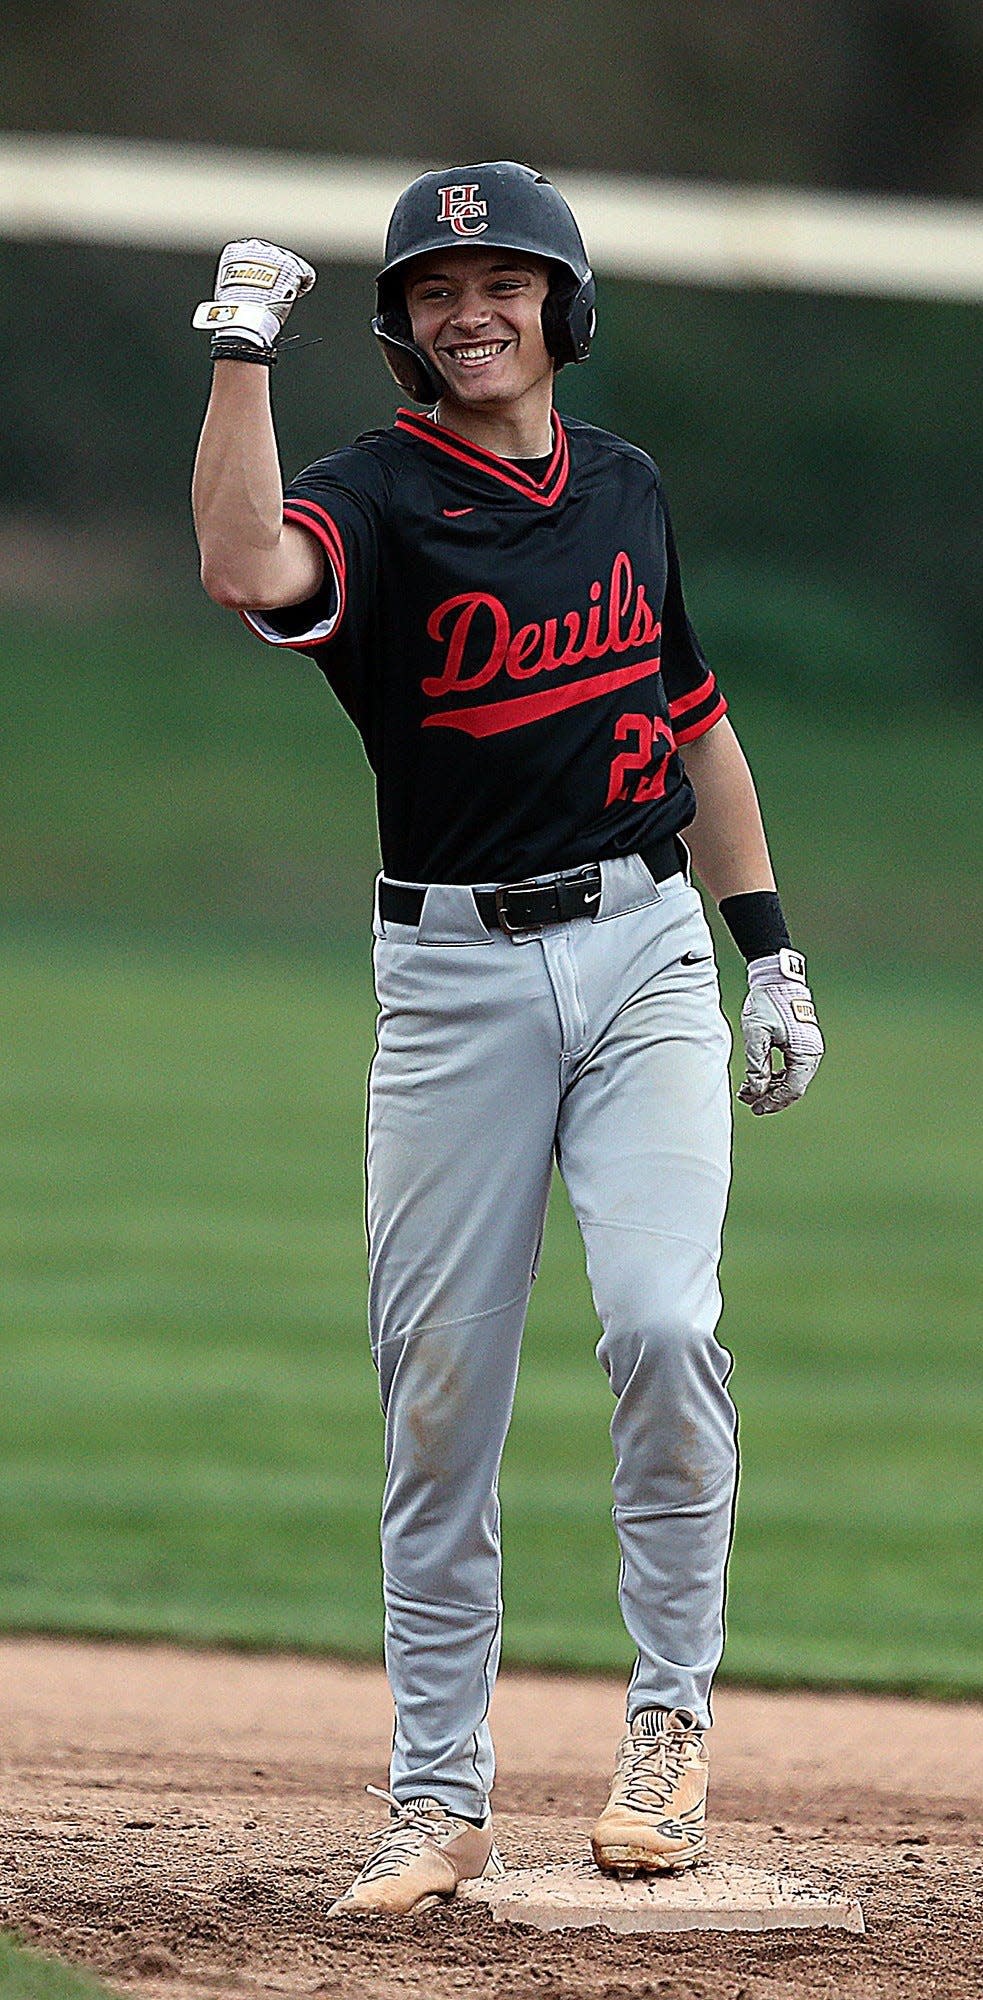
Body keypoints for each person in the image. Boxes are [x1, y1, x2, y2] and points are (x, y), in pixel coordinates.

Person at [191, 162, 824, 1917]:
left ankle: (669, 1730)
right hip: (452, 984)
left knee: (664, 1323)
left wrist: (763, 953)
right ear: (401, 329)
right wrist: (242, 346)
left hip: (642, 958)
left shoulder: (623, 484)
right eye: (439, 289)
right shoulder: (371, 503)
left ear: (560, 303)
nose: (475, 309)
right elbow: (247, 563)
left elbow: (692, 722)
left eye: (506, 279)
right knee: (441, 1399)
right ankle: (436, 1801)